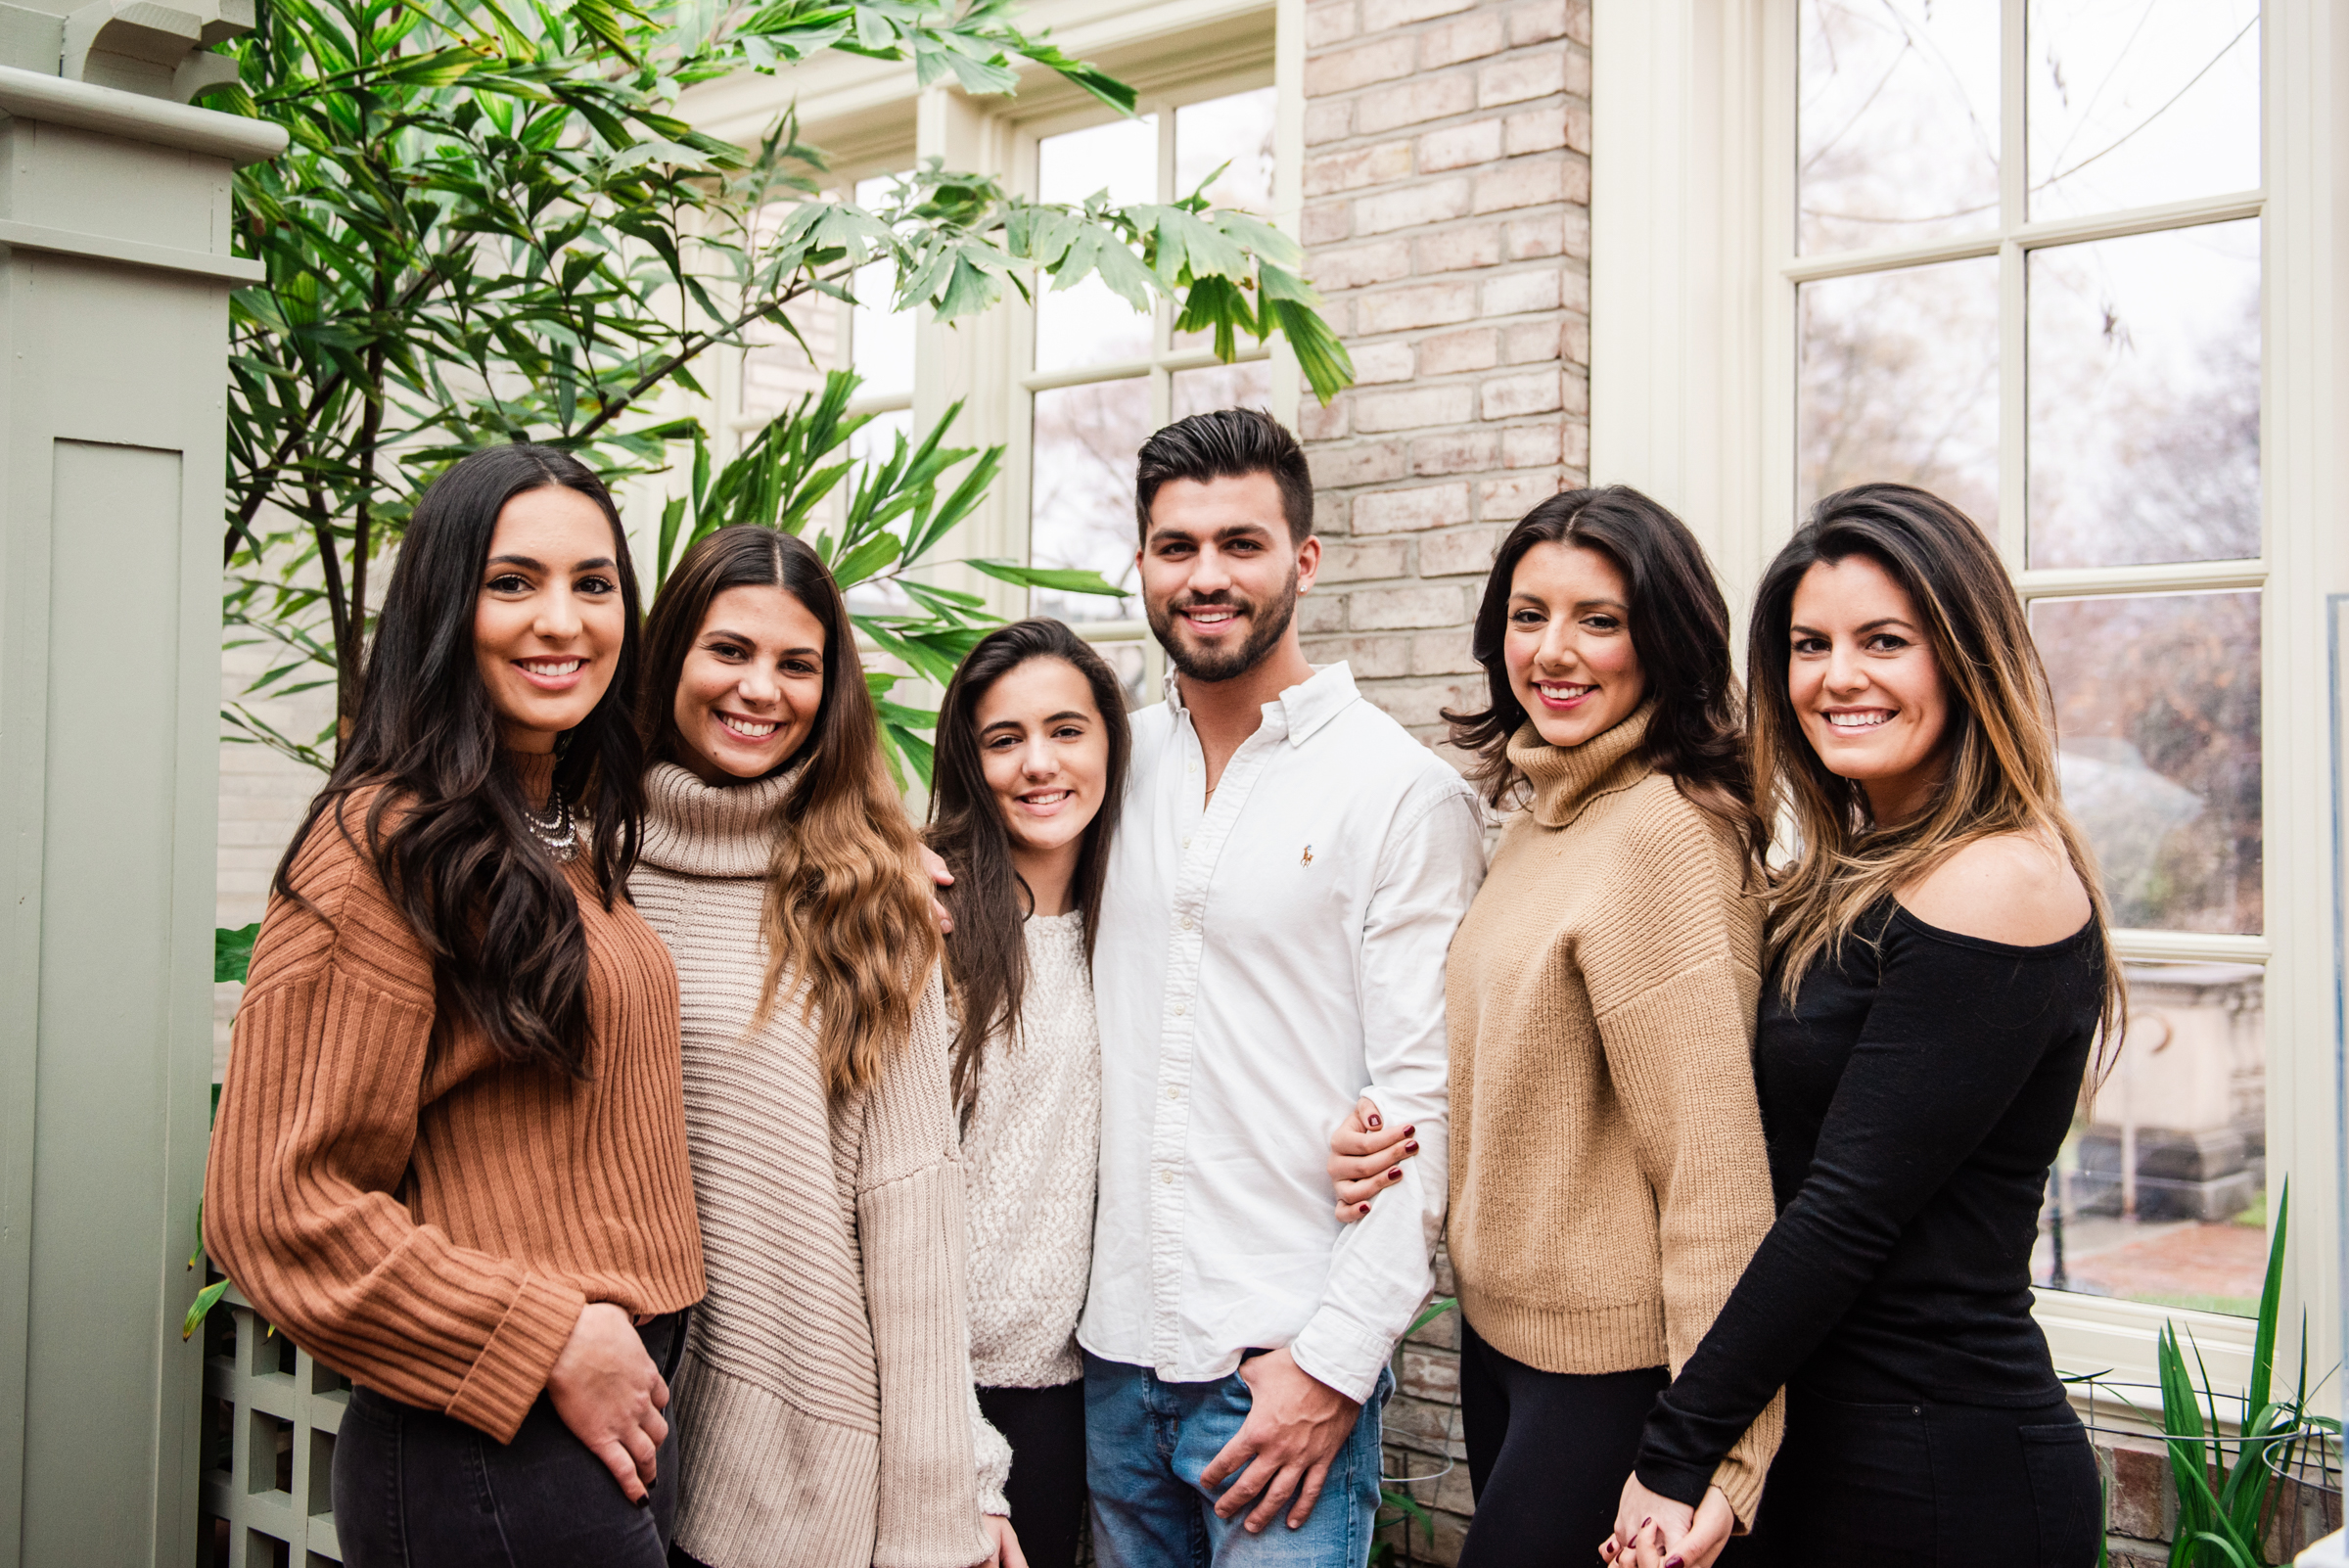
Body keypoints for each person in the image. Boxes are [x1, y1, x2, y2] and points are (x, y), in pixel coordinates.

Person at [205, 444, 707, 1568]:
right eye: (513, 582)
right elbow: (275, 1200)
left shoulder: (559, 830)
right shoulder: (382, 849)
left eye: (594, 583)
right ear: (445, 606)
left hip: (599, 1412)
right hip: (493, 1439)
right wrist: (543, 1336)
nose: (562, 621)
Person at [1607, 483, 2118, 1568]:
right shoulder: (1833, 883)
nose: (1837, 677)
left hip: (1942, 1469)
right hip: (1820, 1445)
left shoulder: (1996, 882)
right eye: (1808, 644)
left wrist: (1676, 1451)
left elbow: (1842, 1213)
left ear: (1966, 659)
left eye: (1884, 640)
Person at [1331, 486, 1784, 1564]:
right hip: (1506, 1351)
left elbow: (1714, 1172)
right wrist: (1374, 1141)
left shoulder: (1665, 835)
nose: (1555, 651)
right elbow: (1506, 1067)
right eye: (1529, 616)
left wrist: (1714, 1457)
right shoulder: (1543, 816)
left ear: (1662, 640)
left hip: (1617, 1379)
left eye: (1599, 618)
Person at [1080, 408, 1488, 1567]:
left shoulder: (1399, 794)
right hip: (1110, 1364)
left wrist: (1330, 1366)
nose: (1206, 577)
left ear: (1304, 561)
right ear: (1145, 561)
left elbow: (1425, 1105)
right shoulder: (1108, 765)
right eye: (1176, 546)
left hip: (1279, 1378)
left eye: (1241, 544)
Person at [628, 526, 1005, 1568]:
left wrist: (938, 1516)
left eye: (799, 664)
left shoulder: (871, 895)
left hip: (806, 1466)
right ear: (668, 661)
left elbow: (913, 1218)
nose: (762, 689)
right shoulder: (585, 871)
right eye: (729, 651)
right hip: (602, 1436)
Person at [927, 619, 1135, 1568]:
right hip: (929, 1396)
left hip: (1074, 1397)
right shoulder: (919, 931)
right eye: (1003, 739)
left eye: (1067, 730)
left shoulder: (1133, 931)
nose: (1038, 764)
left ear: (1111, 743)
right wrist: (961, 1456)